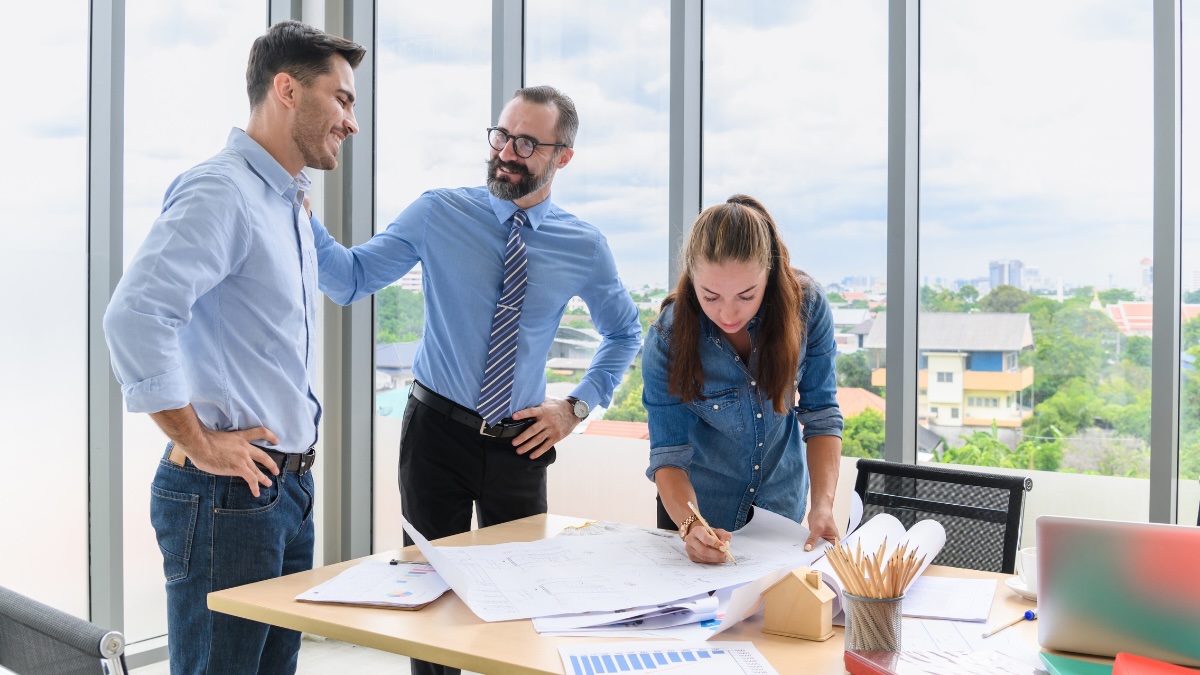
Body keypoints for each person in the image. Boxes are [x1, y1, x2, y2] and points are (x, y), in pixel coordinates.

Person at [310, 85, 642, 675]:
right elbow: (349, 280)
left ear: (562, 156)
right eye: (500, 135)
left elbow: (624, 334)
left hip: (520, 442)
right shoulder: (439, 211)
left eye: (525, 143)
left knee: (516, 607)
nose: (505, 153)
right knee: (427, 600)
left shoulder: (583, 245)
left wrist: (575, 408)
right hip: (434, 433)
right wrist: (301, 215)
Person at [103, 21, 364, 674]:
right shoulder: (222, 190)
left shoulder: (289, 202)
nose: (351, 122)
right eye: (342, 98)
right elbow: (135, 316)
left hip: (283, 491)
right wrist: (197, 440)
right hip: (228, 499)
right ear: (286, 90)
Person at [642, 195, 844, 564]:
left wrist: (823, 506)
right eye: (711, 296)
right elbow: (668, 456)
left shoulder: (808, 307)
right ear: (691, 279)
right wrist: (691, 525)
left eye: (747, 295)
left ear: (769, 273)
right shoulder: (667, 339)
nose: (729, 313)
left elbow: (822, 415)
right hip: (699, 512)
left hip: (781, 510)